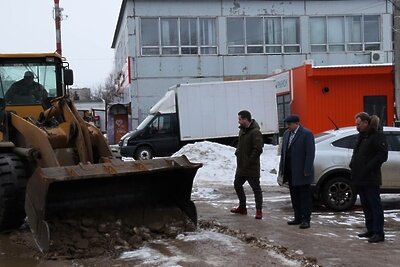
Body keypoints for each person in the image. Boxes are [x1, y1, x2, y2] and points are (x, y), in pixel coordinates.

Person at [350, 112, 388, 243]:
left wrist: (368, 167)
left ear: (366, 123)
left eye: (358, 124)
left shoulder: (377, 136)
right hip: (360, 177)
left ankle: (379, 232)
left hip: (371, 177)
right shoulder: (362, 136)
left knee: (374, 205)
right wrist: (353, 164)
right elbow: (357, 153)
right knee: (366, 205)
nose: (357, 127)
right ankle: (370, 229)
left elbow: (382, 155)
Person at [279, 114, 315, 229]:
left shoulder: (306, 134)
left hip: (302, 171)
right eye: (287, 125)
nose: (288, 127)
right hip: (290, 171)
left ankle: (306, 219)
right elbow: (284, 153)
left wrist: (307, 169)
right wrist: (282, 169)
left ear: (296, 123)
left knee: (304, 197)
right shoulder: (286, 134)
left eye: (289, 124)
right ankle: (297, 217)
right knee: (294, 196)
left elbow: (310, 153)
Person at [230, 110, 264, 219]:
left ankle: (259, 210)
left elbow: (258, 149)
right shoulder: (242, 131)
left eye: (240, 119)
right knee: (237, 184)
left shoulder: (255, 132)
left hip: (251, 167)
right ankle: (242, 207)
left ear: (245, 119)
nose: (239, 121)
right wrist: (237, 153)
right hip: (241, 166)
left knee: (256, 188)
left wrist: (250, 161)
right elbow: (240, 144)